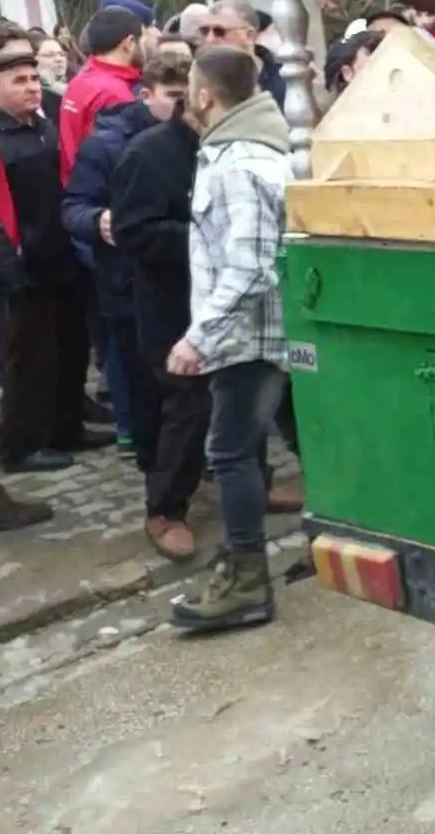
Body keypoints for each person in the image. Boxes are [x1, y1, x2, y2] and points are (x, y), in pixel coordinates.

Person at [168, 45, 290, 630]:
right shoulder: (234, 151)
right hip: (249, 332)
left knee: (230, 451)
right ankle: (252, 560)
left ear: (204, 94)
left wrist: (200, 337)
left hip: (251, 336)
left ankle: (247, 582)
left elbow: (250, 266)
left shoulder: (241, 162)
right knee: (259, 447)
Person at [62, 52, 190, 464]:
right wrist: (96, 219)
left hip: (187, 279)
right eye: (173, 95)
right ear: (145, 95)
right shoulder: (108, 144)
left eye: (189, 95)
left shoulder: (200, 138)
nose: (182, 105)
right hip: (127, 283)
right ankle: (154, 468)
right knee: (143, 384)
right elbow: (72, 207)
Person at [0, 43, 98, 473]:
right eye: (20, 81)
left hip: (60, 254)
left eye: (33, 79)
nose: (32, 88)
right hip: (21, 265)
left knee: (70, 349)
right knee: (29, 360)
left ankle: (67, 427)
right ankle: (20, 446)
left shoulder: (44, 126)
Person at [111, 62, 205, 561]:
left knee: (251, 393)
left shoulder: (231, 147)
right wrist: (208, 239)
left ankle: (254, 479)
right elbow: (133, 231)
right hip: (172, 302)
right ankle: (165, 508)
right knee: (186, 406)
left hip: (230, 299)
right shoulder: (148, 154)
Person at [59, 6, 145, 181]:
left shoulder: (79, 80)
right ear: (128, 43)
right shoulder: (115, 94)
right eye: (141, 41)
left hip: (77, 187)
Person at [200, 0, 285, 109]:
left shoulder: (285, 79)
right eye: (205, 31)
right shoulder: (199, 79)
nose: (209, 39)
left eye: (219, 31)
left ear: (250, 35)